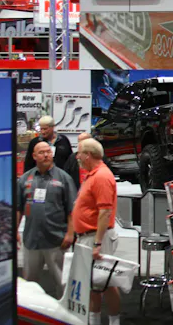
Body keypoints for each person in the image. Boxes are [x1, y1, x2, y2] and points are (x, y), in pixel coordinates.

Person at [16, 141, 77, 298]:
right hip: (32, 240)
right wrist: (14, 231)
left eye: (48, 152)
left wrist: (70, 234)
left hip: (56, 239)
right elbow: (18, 208)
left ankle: (64, 311)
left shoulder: (64, 178)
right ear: (34, 156)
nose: (46, 155)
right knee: (29, 284)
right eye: (41, 152)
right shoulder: (25, 179)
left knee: (62, 282)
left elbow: (72, 210)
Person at [72, 138, 120, 325]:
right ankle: (94, 320)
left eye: (79, 153)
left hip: (97, 237)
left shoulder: (101, 176)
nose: (77, 157)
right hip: (89, 236)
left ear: (88, 155)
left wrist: (98, 243)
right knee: (94, 283)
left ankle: (114, 322)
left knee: (106, 282)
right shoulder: (93, 175)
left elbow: (105, 212)